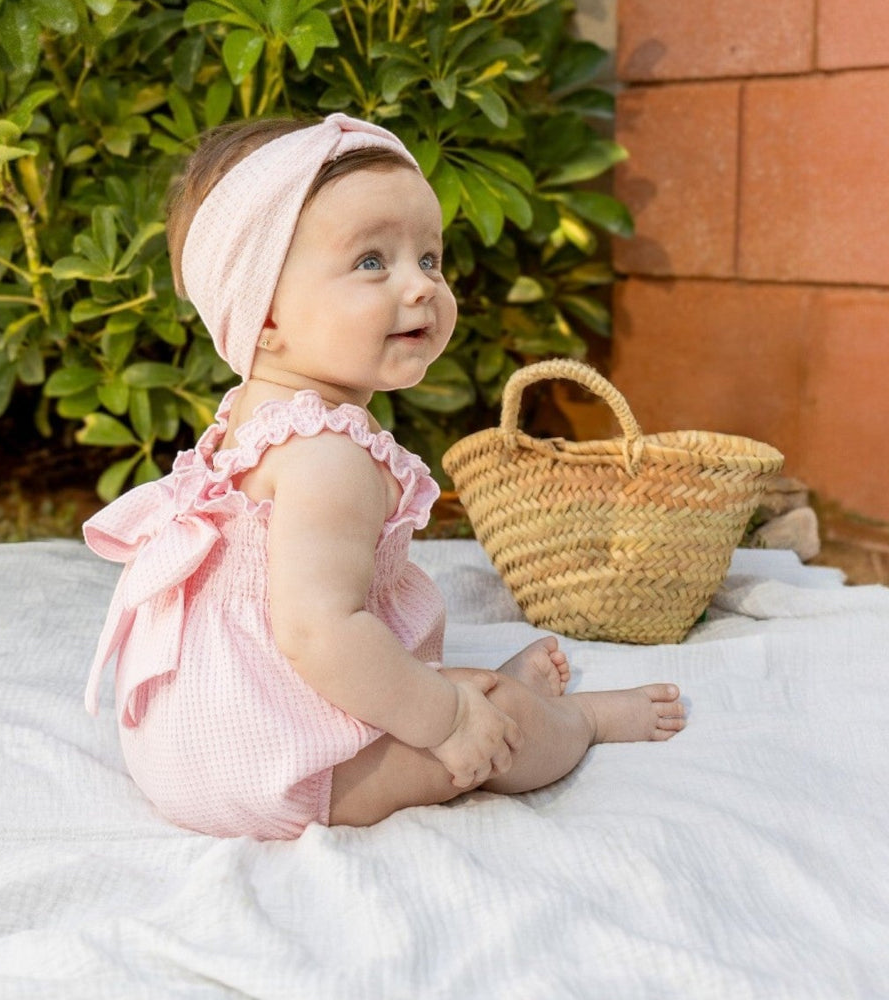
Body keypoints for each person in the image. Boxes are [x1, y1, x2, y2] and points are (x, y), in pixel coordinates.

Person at [82, 113, 686, 841]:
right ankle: (580, 722)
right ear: (264, 313)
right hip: (270, 768)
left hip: (189, 744)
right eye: (372, 262)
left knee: (441, 692)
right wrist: (452, 720)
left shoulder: (255, 415)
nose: (421, 287)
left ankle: (489, 700)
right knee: (497, 719)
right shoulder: (327, 457)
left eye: (429, 259)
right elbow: (318, 634)